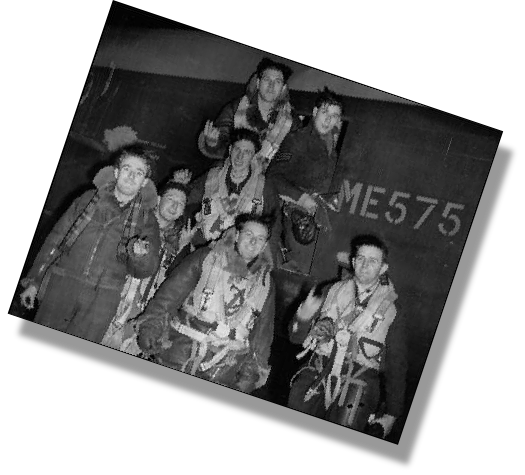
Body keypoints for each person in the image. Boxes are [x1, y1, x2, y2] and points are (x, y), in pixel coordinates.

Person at [19, 144, 161, 344]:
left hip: (103, 299)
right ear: (116, 172)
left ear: (144, 182)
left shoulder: (147, 220)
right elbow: (56, 239)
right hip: (62, 285)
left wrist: (140, 255)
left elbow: (146, 269)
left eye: (139, 173)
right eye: (127, 169)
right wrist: (35, 281)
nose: (131, 176)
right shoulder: (87, 199)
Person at [136, 213, 276, 393]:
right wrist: (151, 326)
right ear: (237, 235)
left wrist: (251, 372)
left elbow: (262, 334)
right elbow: (169, 296)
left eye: (260, 238)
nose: (253, 241)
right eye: (248, 234)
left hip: (224, 368)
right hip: (181, 352)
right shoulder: (205, 257)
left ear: (264, 246)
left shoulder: (266, 285)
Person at [287, 234, 407, 438]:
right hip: (318, 370)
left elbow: (397, 364)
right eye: (361, 258)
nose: (365, 265)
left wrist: (392, 414)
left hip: (359, 379)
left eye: (373, 261)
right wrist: (304, 316)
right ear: (353, 261)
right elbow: (295, 338)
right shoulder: (329, 291)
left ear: (383, 268)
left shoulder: (393, 311)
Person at [102, 169, 197, 352]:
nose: (174, 206)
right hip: (112, 301)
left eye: (180, 203)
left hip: (142, 316)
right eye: (170, 199)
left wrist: (182, 249)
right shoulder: (136, 221)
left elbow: (174, 287)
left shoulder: (182, 243)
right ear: (159, 200)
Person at [266, 87, 344, 270]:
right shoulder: (297, 140)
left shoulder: (331, 149)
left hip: (320, 215)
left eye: (334, 116)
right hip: (296, 214)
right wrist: (301, 198)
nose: (328, 120)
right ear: (315, 112)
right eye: (324, 112)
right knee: (299, 268)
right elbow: (273, 177)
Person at [188, 128, 285, 263]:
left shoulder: (265, 186)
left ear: (254, 156)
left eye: (247, 152)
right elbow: (187, 200)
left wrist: (267, 261)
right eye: (237, 149)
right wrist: (179, 184)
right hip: (203, 250)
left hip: (241, 258)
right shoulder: (212, 176)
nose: (240, 156)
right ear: (230, 150)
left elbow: (275, 225)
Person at [198, 57, 301, 165]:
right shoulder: (234, 109)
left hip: (273, 173)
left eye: (277, 81)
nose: (271, 86)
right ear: (258, 83)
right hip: (234, 170)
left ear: (283, 88)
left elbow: (296, 153)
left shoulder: (291, 119)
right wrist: (213, 143)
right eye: (267, 79)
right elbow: (222, 148)